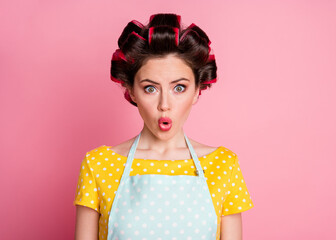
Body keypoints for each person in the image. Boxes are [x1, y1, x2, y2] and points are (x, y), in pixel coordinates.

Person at [74, 13, 254, 240]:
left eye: (179, 88)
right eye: (151, 88)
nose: (164, 105)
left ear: (197, 91)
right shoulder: (98, 164)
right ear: (131, 91)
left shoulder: (223, 165)